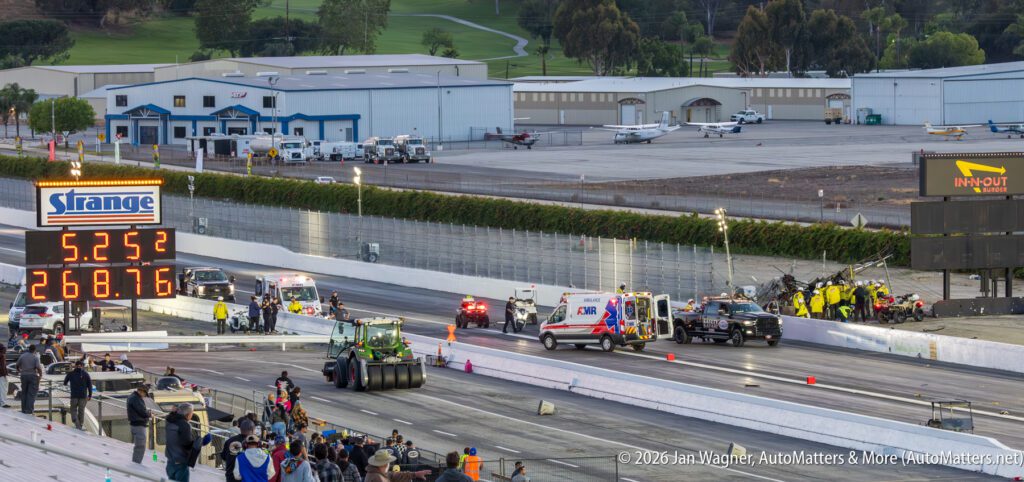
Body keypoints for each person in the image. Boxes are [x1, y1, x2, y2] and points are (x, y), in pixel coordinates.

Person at [166, 403, 214, 481]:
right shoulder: (185, 425)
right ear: (188, 414)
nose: (192, 415)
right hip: (180, 462)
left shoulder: (170, 420)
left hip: (170, 460)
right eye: (192, 413)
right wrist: (202, 441)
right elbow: (187, 444)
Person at [363, 449, 429, 482]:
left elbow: (395, 475)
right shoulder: (377, 478)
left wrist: (415, 474)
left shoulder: (378, 473)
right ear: (384, 465)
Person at [63, 360, 92, 430]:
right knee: (81, 410)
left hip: (74, 395)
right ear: (82, 366)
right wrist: (90, 395)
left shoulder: (70, 374)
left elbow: (65, 382)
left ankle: (75, 420)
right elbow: (89, 385)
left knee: (73, 409)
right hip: (83, 396)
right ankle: (80, 424)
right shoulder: (86, 374)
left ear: (75, 366)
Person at [127, 384, 153, 463]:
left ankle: (136, 462)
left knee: (139, 445)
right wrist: (149, 414)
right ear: (141, 391)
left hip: (135, 424)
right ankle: (136, 463)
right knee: (140, 446)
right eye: (145, 394)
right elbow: (142, 412)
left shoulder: (132, 397)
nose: (144, 396)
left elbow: (140, 410)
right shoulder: (136, 399)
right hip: (138, 425)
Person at [15, 344, 42, 415]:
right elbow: (38, 368)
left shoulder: (22, 356)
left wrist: (19, 371)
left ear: (28, 349)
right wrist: (40, 375)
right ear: (35, 350)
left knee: (24, 393)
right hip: (32, 376)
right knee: (31, 394)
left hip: (23, 376)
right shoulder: (35, 357)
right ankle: (29, 411)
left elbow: (17, 365)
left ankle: (23, 410)